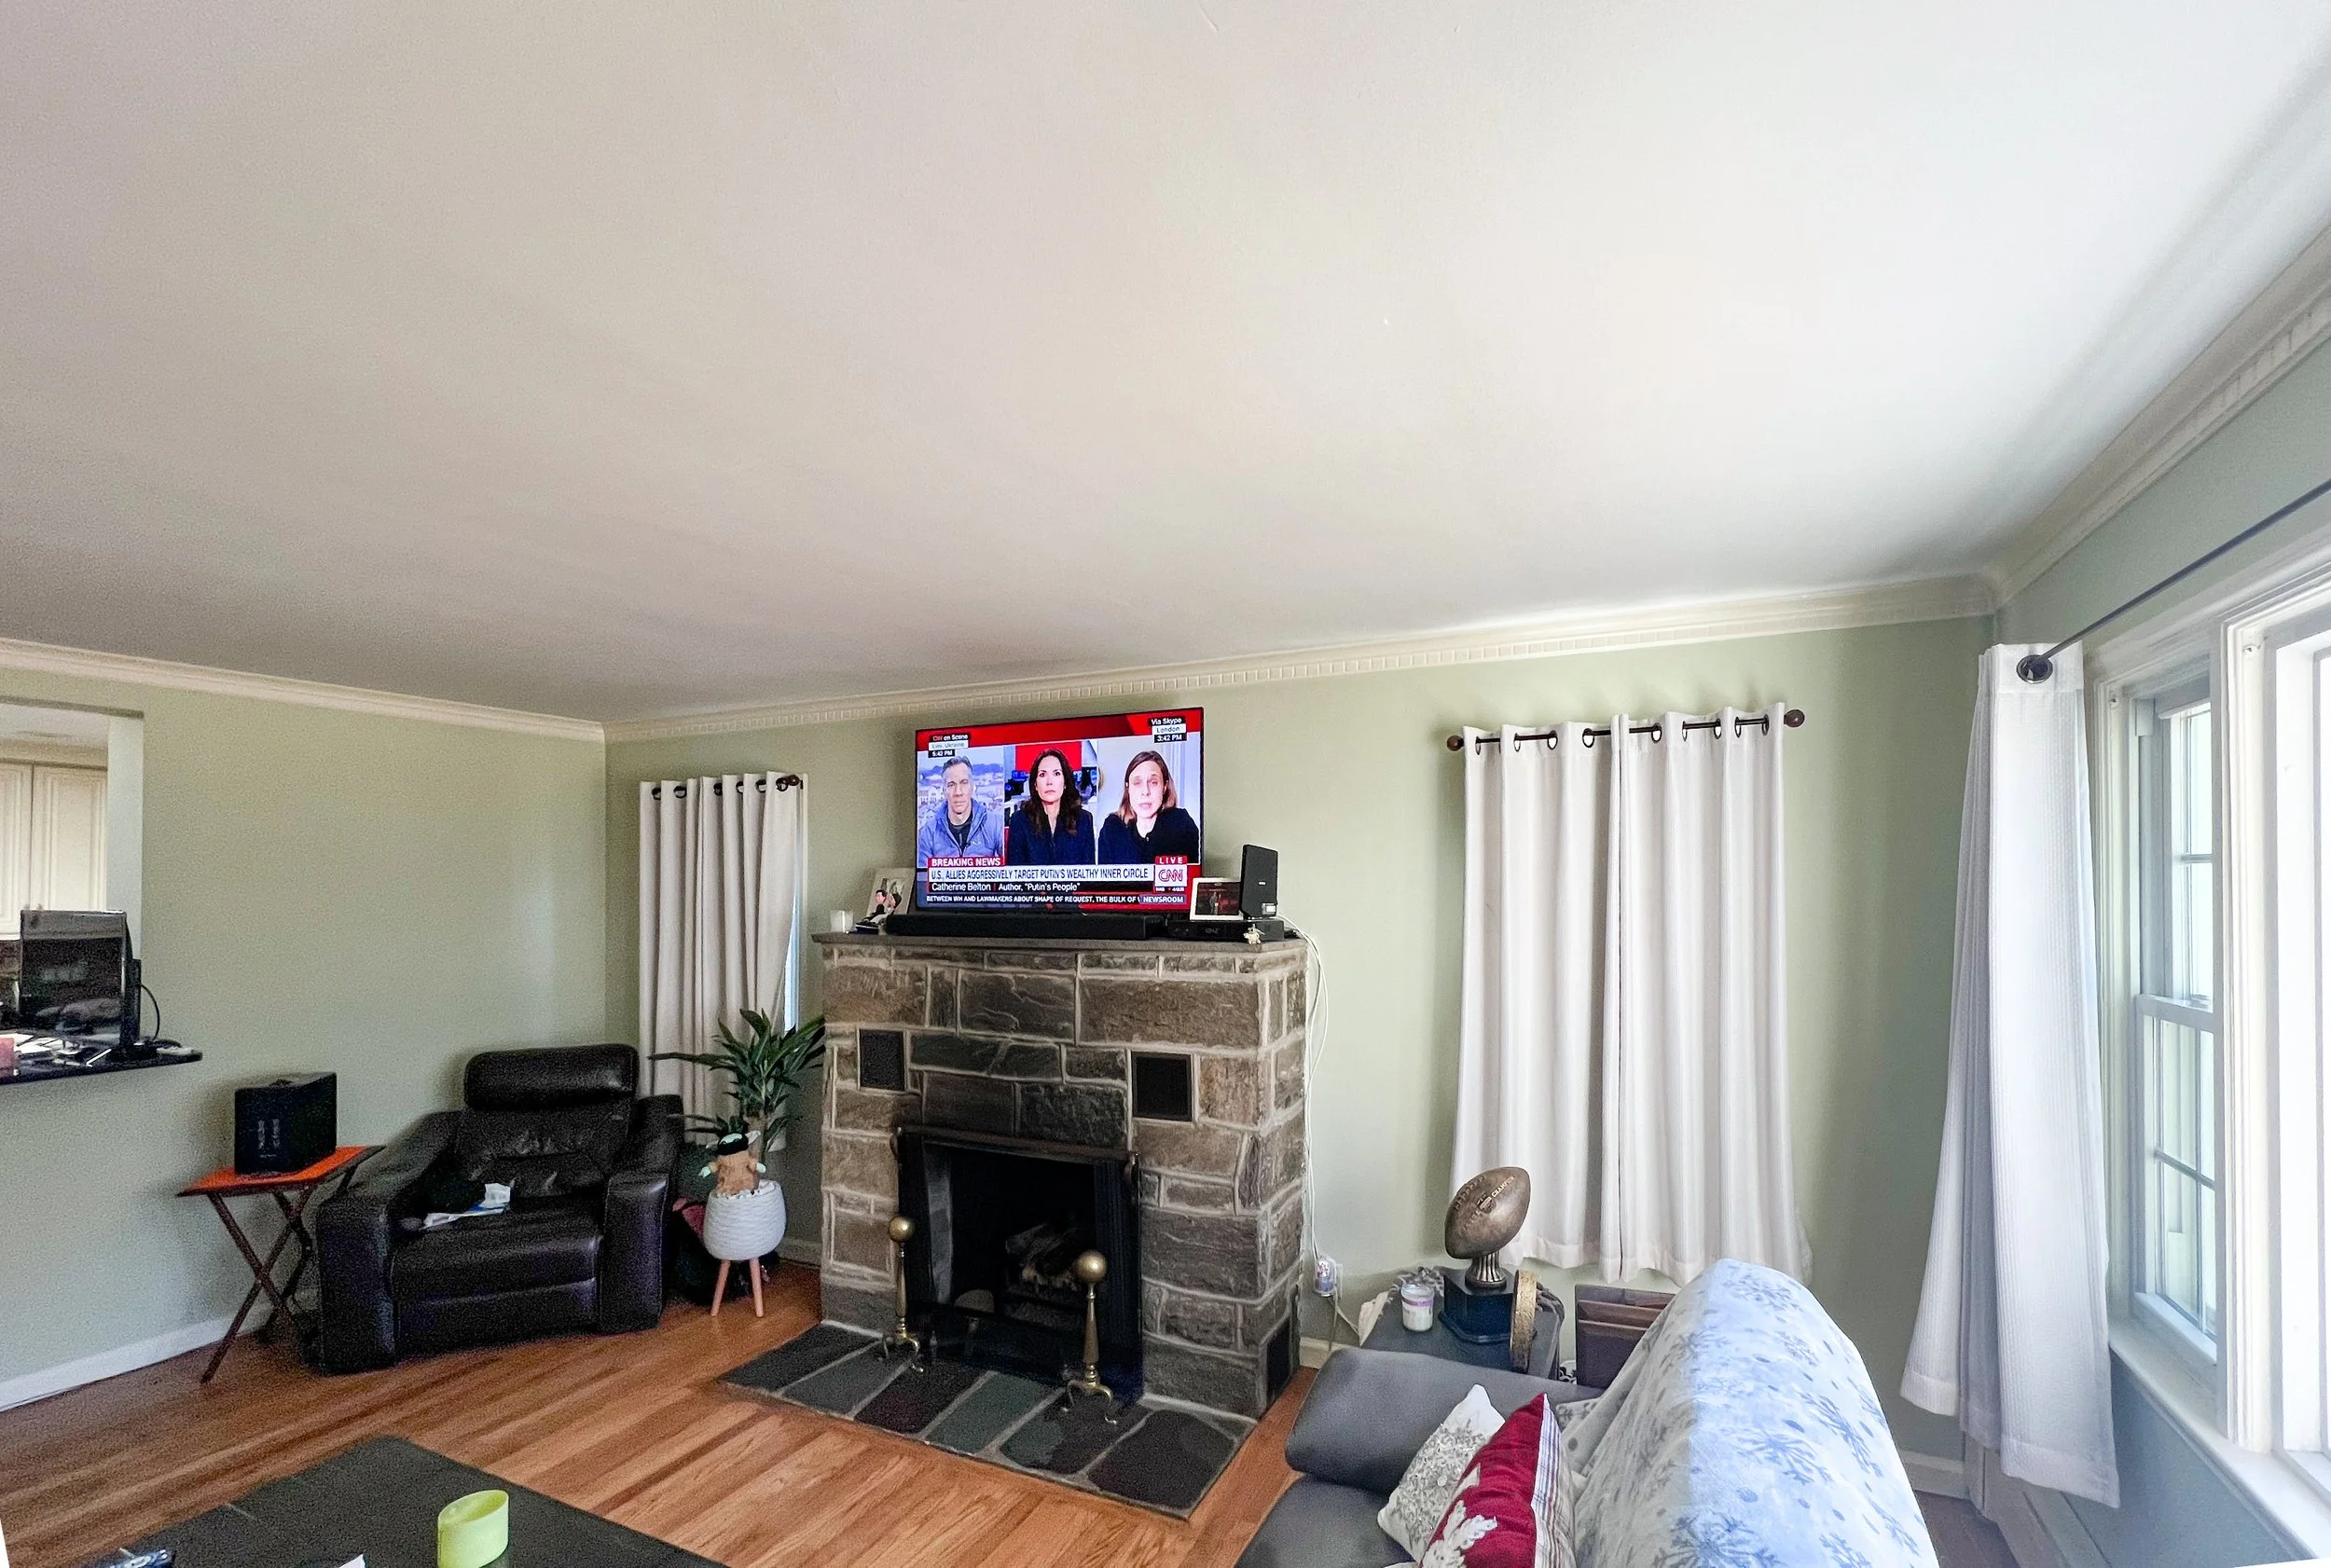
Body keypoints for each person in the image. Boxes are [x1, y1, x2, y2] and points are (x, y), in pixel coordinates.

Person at [1097, 750, 1201, 864]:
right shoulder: (1112, 828)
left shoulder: (1181, 823)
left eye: (1153, 782)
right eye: (1137, 783)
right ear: (1128, 788)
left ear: (1164, 787)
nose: (1145, 791)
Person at [1005, 747, 1097, 864]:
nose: (1049, 781)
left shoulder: (1084, 819)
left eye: (1057, 774)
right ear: (1035, 785)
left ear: (1065, 783)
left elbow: (1089, 876)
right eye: (1042, 775)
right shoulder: (1019, 820)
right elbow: (1014, 877)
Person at [916, 757, 1004, 862]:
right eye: (951, 785)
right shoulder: (929, 831)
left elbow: (1010, 870)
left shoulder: (995, 825)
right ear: (944, 791)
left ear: (972, 787)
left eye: (963, 783)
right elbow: (923, 875)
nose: (958, 792)